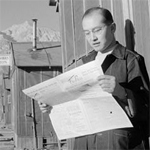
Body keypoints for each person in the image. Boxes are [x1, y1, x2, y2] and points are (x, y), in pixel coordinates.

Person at [38, 7, 149, 150]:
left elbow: (146, 109)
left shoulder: (130, 60)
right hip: (84, 142)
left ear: (112, 28)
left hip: (116, 144)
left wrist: (122, 92)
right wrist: (51, 103)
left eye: (97, 30)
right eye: (87, 33)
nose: (92, 38)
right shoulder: (82, 63)